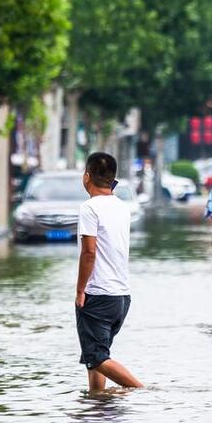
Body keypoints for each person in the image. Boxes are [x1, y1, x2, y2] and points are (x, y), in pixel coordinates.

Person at [75, 152, 143, 393]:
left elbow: (89, 253)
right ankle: (97, 403)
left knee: (97, 356)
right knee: (95, 358)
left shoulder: (89, 208)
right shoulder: (121, 207)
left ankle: (144, 391)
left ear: (87, 176)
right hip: (121, 297)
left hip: (98, 295)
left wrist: (80, 290)